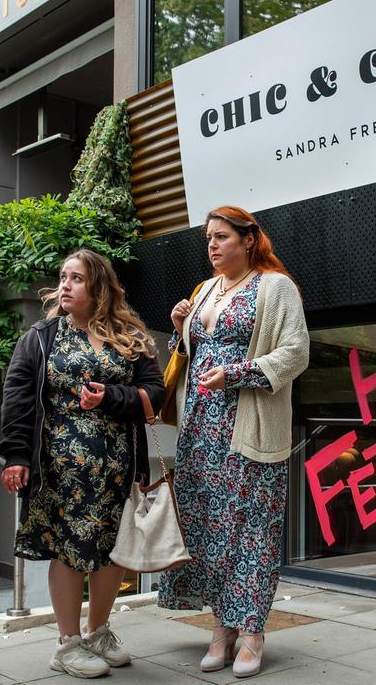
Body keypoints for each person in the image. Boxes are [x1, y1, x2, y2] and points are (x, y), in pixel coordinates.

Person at [0, 249, 165, 679]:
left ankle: (98, 632)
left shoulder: (130, 335)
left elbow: (156, 393)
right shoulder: (41, 336)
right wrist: (16, 455)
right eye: (63, 277)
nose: (65, 285)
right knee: (70, 551)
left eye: (76, 278)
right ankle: (67, 643)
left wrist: (110, 397)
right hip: (61, 469)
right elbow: (17, 398)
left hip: (118, 467)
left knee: (113, 551)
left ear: (99, 287)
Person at [157, 206, 309, 679]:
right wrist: (183, 323)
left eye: (222, 237)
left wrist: (240, 373)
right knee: (207, 529)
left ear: (248, 239)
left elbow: (296, 351)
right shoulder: (204, 290)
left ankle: (251, 633)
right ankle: (220, 628)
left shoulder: (275, 286)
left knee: (251, 531)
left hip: (248, 427)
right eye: (208, 239)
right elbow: (193, 354)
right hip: (200, 429)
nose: (213, 246)